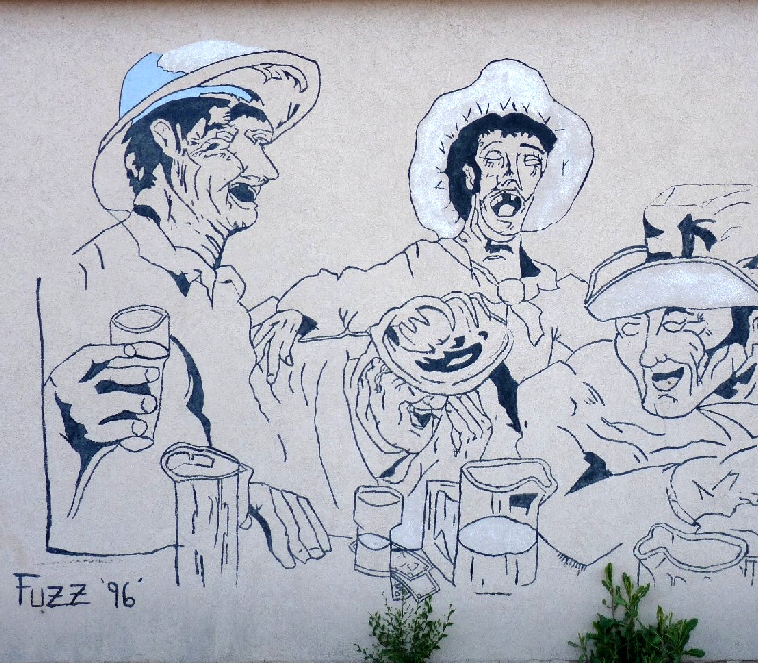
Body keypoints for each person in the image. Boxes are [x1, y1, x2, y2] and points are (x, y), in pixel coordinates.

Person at [38, 41, 328, 567]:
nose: (265, 169)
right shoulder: (90, 278)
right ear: (166, 141)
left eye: (261, 143)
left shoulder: (221, 298)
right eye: (230, 142)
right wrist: (243, 496)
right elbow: (99, 503)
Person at [516, 185, 758, 566]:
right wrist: (730, 477)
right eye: (632, 325)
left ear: (753, 328)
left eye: (681, 322)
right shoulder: (569, 394)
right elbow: (555, 524)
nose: (650, 353)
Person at [254, 59, 608, 396]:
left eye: (530, 162)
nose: (511, 177)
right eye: (495, 159)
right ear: (469, 176)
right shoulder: (426, 263)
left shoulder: (553, 290)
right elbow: (347, 293)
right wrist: (299, 314)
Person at [250, 291, 519, 552]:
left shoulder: (465, 429)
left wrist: (452, 475)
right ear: (373, 376)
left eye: (450, 388)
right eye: (417, 385)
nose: (435, 403)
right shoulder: (293, 381)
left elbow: (415, 541)